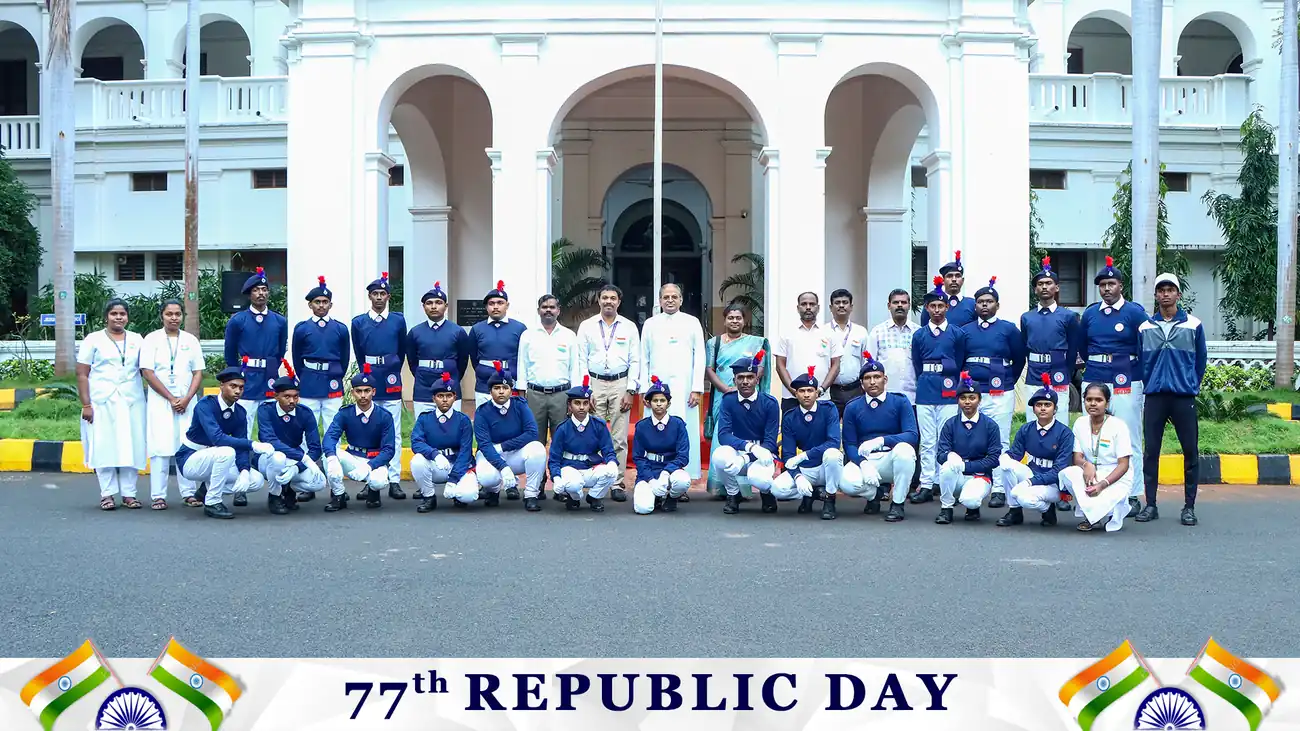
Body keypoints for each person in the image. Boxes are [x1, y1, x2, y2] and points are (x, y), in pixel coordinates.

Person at [1080, 256, 1148, 516]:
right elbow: (1082, 346)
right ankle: (1094, 487)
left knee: (1129, 436)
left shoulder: (1134, 312)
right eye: (1102, 285)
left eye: (1111, 284)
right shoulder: (1090, 313)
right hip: (1096, 375)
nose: (1107, 289)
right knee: (1092, 435)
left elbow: (1144, 346)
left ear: (1121, 285)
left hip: (1126, 378)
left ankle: (1132, 494)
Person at [1137, 273, 1207, 526]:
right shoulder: (1145, 328)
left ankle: (1189, 507)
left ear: (1178, 294)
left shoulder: (1193, 325)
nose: (1165, 294)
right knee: (1151, 452)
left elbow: (1200, 361)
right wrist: (1150, 382)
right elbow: (1140, 360)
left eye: (1170, 290)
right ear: (1156, 295)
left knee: (1190, 451)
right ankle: (1151, 505)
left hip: (1183, 397)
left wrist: (1190, 384)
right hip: (1155, 396)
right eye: (1161, 290)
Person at [174, 367, 274, 520]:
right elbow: (218, 439)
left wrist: (244, 470)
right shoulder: (205, 405)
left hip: (215, 458)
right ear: (221, 385)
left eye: (241, 387)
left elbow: (240, 449)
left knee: (256, 480)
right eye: (233, 386)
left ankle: (207, 490)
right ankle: (213, 502)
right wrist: (252, 444)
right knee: (227, 451)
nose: (237, 391)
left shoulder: (240, 412)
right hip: (190, 459)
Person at [77, 299, 148, 511]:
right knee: (104, 446)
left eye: (122, 314)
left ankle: (129, 494)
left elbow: (146, 370)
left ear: (127, 317)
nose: (118, 317)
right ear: (106, 316)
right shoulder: (93, 339)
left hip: (132, 401)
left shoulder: (137, 339)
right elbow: (82, 374)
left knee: (132, 446)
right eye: (114, 313)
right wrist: (86, 404)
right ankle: (106, 494)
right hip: (102, 401)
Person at [961, 276, 1025, 509]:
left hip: (1000, 392)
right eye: (980, 302)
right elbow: (960, 361)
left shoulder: (1008, 329)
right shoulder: (965, 331)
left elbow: (1019, 359)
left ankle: (999, 488)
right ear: (975, 306)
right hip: (973, 394)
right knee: (972, 438)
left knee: (999, 439)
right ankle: (973, 483)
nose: (985, 305)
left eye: (989, 301)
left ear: (997, 305)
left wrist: (1008, 381)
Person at [575, 284, 641, 501]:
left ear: (619, 302)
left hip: (620, 383)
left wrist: (631, 390)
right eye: (605, 298)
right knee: (593, 434)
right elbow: (581, 359)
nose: (608, 301)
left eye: (613, 298)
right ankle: (596, 479)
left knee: (619, 437)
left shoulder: (629, 327)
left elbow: (635, 360)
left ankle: (617, 482)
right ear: (599, 300)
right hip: (594, 384)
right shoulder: (587, 326)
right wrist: (585, 390)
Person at [139, 299, 205, 509]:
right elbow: (147, 372)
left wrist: (186, 399)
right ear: (162, 316)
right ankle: (158, 496)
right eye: (169, 314)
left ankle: (189, 493)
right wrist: (170, 397)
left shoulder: (191, 340)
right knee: (160, 447)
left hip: (187, 401)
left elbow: (198, 372)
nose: (174, 318)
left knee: (187, 445)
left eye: (178, 314)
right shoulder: (151, 339)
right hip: (160, 401)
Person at [839, 351, 919, 522]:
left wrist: (882, 441)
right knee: (845, 482)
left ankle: (897, 504)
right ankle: (874, 494)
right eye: (867, 378)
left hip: (892, 459)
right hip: (866, 460)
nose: (873, 381)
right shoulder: (852, 407)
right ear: (861, 384)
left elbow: (912, 435)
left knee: (905, 452)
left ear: (885, 379)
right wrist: (862, 463)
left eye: (877, 377)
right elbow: (849, 444)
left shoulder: (900, 401)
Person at [640, 283, 706, 480]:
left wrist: (696, 388)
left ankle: (685, 475)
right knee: (655, 428)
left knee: (685, 428)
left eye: (674, 297)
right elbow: (644, 357)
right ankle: (654, 472)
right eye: (666, 297)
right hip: (656, 389)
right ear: (660, 301)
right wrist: (645, 388)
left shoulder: (692, 322)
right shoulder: (650, 324)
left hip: (685, 388)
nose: (670, 300)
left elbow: (700, 356)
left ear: (681, 300)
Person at [349, 272, 407, 497]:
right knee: (370, 430)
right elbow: (358, 351)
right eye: (375, 294)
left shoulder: (398, 320)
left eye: (383, 293)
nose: (379, 297)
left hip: (390, 376)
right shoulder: (359, 322)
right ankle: (370, 477)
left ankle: (394, 479)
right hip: (369, 377)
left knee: (394, 430)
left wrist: (393, 367)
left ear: (388, 296)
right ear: (369, 297)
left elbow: (402, 349)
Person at [911, 276, 967, 504]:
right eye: (932, 306)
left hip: (948, 390)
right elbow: (917, 363)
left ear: (947, 307)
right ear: (927, 308)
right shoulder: (919, 335)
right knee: (927, 439)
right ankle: (926, 483)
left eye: (940, 306)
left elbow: (960, 360)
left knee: (945, 438)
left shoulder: (957, 333)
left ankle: (941, 481)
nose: (936, 310)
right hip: (926, 390)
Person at [703, 304, 770, 498]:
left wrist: (743, 387)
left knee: (745, 435)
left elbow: (760, 368)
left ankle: (742, 487)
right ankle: (721, 486)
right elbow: (709, 370)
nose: (734, 321)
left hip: (748, 396)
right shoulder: (714, 343)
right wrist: (727, 390)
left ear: (744, 321)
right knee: (722, 438)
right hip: (723, 397)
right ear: (724, 320)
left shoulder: (756, 342)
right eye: (730, 318)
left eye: (738, 318)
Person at [995, 374, 1075, 527]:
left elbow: (1059, 470)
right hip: (1032, 473)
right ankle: (1014, 511)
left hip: (1053, 483)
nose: (1043, 408)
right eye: (1039, 405)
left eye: (1047, 405)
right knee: (1006, 466)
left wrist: (1029, 482)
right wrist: (1005, 458)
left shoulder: (1065, 433)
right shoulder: (1026, 429)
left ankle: (1047, 509)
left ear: (1055, 409)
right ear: (1033, 409)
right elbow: (1016, 454)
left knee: (1024, 498)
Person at [710, 349, 780, 515]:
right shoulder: (728, 401)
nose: (745, 382)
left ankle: (766, 493)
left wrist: (747, 457)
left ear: (757, 379)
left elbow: (770, 443)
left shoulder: (769, 403)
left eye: (750, 377)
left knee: (759, 479)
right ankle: (733, 494)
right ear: (734, 380)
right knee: (719, 456)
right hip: (739, 449)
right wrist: (748, 448)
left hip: (763, 452)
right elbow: (724, 435)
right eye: (740, 377)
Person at [771, 366, 845, 519]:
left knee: (833, 454)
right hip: (806, 469)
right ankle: (813, 494)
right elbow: (788, 456)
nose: (806, 395)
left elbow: (833, 442)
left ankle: (829, 500)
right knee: (778, 489)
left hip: (826, 466)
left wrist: (805, 455)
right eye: (802, 391)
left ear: (816, 393)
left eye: (810, 391)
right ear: (796, 394)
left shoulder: (828, 409)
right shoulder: (790, 417)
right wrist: (797, 477)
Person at [223, 266, 288, 438]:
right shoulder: (238, 320)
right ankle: (242, 454)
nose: (261, 293)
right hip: (247, 377)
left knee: (272, 425)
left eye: (264, 289)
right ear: (249, 294)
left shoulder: (280, 321)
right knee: (243, 423)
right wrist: (237, 375)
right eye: (256, 290)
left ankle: (270, 455)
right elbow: (230, 352)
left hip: (269, 377)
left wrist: (273, 367)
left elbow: (281, 350)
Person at [254, 363, 327, 515]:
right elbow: (270, 440)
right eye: (286, 396)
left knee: (319, 482)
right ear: (276, 396)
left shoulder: (305, 413)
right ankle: (274, 496)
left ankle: (288, 489)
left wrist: (297, 468)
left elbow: (315, 448)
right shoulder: (265, 410)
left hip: (293, 459)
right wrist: (302, 458)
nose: (292, 401)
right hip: (268, 458)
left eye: (295, 396)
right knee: (278, 458)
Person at [1060, 383, 1135, 532]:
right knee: (1068, 474)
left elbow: (1124, 464)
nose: (1093, 403)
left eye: (1098, 400)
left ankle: (1107, 512)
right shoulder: (1080, 423)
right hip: (1090, 471)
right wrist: (1086, 465)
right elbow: (1077, 457)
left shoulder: (1118, 426)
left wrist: (1103, 484)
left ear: (1107, 403)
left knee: (1101, 496)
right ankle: (1093, 515)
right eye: (1089, 399)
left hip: (1115, 474)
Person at [474, 361, 548, 509]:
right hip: (492, 454)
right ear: (490, 391)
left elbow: (532, 433)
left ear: (511, 390)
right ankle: (493, 491)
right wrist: (503, 467)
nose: (501, 391)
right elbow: (484, 445)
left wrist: (503, 447)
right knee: (487, 477)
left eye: (505, 388)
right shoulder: (482, 412)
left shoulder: (520, 405)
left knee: (538, 449)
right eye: (497, 388)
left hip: (514, 453)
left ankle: (531, 495)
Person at [322, 364, 397, 511]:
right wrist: (331, 457)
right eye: (359, 391)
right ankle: (339, 495)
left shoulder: (384, 416)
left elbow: (389, 450)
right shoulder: (345, 413)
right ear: (353, 392)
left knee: (378, 481)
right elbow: (330, 437)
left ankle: (373, 492)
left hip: (374, 459)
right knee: (328, 457)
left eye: (367, 391)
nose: (363, 395)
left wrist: (370, 466)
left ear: (373, 392)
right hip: (352, 457)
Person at [291, 275, 350, 458]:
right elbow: (296, 357)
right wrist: (304, 377)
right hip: (309, 381)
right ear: (310, 305)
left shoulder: (340, 329)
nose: (321, 305)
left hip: (332, 381)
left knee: (333, 426)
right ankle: (307, 463)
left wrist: (337, 375)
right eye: (317, 302)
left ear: (331, 304)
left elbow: (345, 357)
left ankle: (332, 462)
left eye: (325, 302)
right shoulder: (302, 328)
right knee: (306, 425)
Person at [934, 372, 1001, 524]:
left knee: (970, 500)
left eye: (972, 398)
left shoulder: (990, 426)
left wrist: (966, 466)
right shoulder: (950, 424)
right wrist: (949, 456)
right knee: (946, 467)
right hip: (955, 475)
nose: (967, 402)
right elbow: (940, 455)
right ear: (958, 400)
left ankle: (972, 507)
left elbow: (994, 459)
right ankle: (946, 508)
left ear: (979, 400)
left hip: (979, 476)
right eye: (963, 398)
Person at [1020, 256, 1081, 422]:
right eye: (1040, 284)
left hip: (1058, 370)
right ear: (1035, 289)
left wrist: (1066, 372)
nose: (1044, 287)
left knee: (1059, 416)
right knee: (1033, 416)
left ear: (1057, 287)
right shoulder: (1027, 317)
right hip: (1035, 372)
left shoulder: (1068, 316)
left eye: (1048, 283)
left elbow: (1073, 347)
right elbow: (1025, 346)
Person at [410, 372, 479, 513]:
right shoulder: (424, 419)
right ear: (433, 398)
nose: (445, 400)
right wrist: (434, 455)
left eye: (448, 396)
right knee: (417, 461)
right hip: (436, 464)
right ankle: (429, 497)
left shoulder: (463, 420)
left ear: (454, 397)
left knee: (468, 496)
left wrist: (453, 480)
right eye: (440, 396)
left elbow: (465, 452)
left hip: (458, 463)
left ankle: (458, 495)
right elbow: (416, 443)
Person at [548, 376, 620, 512]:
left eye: (585, 403)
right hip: (570, 467)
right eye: (577, 403)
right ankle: (574, 498)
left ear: (589, 404)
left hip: (591, 467)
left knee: (612, 472)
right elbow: (554, 458)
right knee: (573, 485)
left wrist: (611, 463)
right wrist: (556, 477)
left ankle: (594, 497)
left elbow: (608, 450)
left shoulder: (598, 425)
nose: (581, 407)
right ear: (570, 406)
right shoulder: (563, 428)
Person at [519, 294, 580, 445]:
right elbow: (522, 364)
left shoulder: (569, 336)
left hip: (561, 395)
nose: (548, 310)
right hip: (535, 395)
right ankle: (537, 462)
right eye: (544, 307)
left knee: (562, 439)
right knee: (534, 440)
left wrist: (574, 396)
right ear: (538, 310)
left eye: (552, 307)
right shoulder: (528, 335)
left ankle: (559, 462)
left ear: (558, 310)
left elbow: (574, 367)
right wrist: (521, 394)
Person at [407, 281, 469, 417]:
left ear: (446, 306)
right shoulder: (415, 332)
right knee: (423, 423)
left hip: (449, 384)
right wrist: (421, 373)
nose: (434, 306)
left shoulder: (457, 331)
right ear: (424, 307)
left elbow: (463, 360)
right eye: (429, 303)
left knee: (451, 423)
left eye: (438, 302)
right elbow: (412, 360)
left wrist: (453, 375)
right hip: (423, 386)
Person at [631, 376, 692, 515]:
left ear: (668, 403)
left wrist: (666, 472)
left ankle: (672, 497)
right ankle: (656, 497)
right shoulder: (642, 426)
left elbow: (683, 456)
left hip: (671, 469)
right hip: (650, 469)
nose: (659, 404)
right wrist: (650, 480)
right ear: (649, 403)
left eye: (662, 400)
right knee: (643, 508)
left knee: (682, 480)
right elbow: (638, 457)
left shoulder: (678, 424)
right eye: (655, 401)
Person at [774, 292, 840, 413]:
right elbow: (780, 365)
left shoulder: (829, 333)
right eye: (804, 304)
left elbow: (836, 365)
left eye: (812, 304)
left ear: (818, 308)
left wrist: (821, 389)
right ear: (798, 308)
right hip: (791, 398)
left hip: (821, 397)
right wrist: (794, 390)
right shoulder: (786, 333)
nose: (808, 307)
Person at [469, 280, 528, 408]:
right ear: (486, 307)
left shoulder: (519, 328)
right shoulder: (477, 329)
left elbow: (524, 357)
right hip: (484, 385)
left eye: (500, 303)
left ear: (507, 305)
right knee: (485, 417)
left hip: (510, 384)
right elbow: (474, 357)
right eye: (491, 303)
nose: (495, 307)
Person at [865, 289, 920, 405]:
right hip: (884, 396)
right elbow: (869, 365)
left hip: (912, 397)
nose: (900, 305)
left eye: (903, 302)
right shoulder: (877, 332)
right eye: (896, 302)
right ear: (889, 306)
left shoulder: (918, 332)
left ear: (909, 306)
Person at [826, 288, 869, 415]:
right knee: (832, 423)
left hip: (855, 390)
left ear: (851, 307)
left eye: (845, 302)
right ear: (831, 307)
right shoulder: (823, 332)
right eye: (837, 302)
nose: (841, 305)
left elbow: (865, 361)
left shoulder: (861, 332)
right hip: (830, 390)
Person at [924, 251, 976, 327]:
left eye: (957, 276)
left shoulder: (972, 304)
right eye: (949, 276)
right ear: (943, 280)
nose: (954, 279)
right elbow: (925, 328)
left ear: (962, 280)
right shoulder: (932, 303)